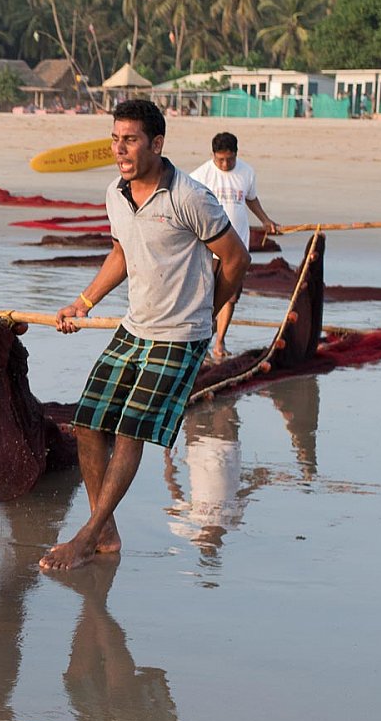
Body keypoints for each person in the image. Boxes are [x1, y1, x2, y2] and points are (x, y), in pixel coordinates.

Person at [47, 99, 249, 571]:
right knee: (87, 423)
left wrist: (205, 312)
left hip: (179, 334)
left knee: (129, 430)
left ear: (156, 144)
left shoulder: (189, 196)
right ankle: (105, 529)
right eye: (115, 139)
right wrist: (83, 302)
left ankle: (88, 535)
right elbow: (121, 253)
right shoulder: (115, 194)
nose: (120, 149)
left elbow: (237, 258)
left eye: (131, 140)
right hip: (135, 328)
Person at [189, 132, 281, 358]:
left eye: (229, 159)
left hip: (237, 248)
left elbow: (251, 198)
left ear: (236, 154)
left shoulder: (246, 172)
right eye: (220, 159)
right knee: (204, 297)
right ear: (213, 155)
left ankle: (219, 343)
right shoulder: (200, 176)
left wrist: (265, 220)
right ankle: (200, 343)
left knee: (230, 297)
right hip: (209, 248)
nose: (225, 164)